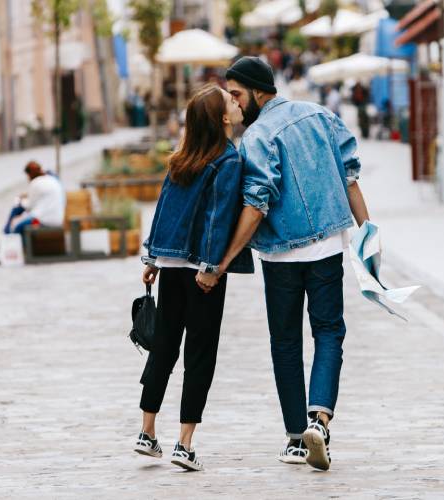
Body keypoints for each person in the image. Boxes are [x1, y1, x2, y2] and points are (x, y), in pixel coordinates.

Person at [199, 57, 370, 471]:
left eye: (237, 95)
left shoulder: (257, 137)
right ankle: (320, 420)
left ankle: (297, 438)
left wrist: (221, 263)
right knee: (330, 332)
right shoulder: (320, 115)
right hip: (328, 245)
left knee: (286, 342)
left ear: (259, 91)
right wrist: (368, 235)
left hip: (281, 255)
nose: (235, 106)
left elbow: (256, 205)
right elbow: (350, 177)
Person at [134, 84, 253, 471]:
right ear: (221, 118)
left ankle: (147, 431)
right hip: (202, 271)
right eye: (229, 101)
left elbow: (164, 209)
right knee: (199, 354)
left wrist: (153, 256)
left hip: (170, 267)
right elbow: (219, 218)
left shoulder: (181, 158)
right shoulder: (228, 160)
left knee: (164, 348)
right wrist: (211, 266)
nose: (236, 103)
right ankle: (184, 444)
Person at [2, 161, 65, 236]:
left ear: (29, 174)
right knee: (20, 218)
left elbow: (30, 206)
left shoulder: (35, 183)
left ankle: (8, 237)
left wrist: (21, 201)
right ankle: (6, 234)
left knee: (17, 228)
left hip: (44, 220)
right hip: (58, 219)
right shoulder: (52, 179)